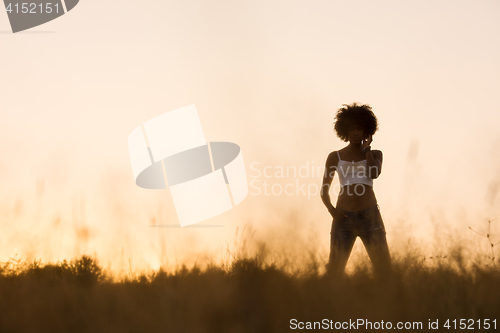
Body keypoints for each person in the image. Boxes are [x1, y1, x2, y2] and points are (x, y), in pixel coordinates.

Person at [321, 103, 391, 277]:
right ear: (345, 131)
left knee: (384, 270)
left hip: (370, 218)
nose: (355, 133)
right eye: (351, 129)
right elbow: (324, 190)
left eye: (359, 129)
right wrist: (332, 210)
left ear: (367, 131)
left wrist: (367, 149)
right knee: (334, 271)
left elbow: (374, 173)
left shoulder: (375, 154)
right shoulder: (334, 157)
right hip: (343, 219)